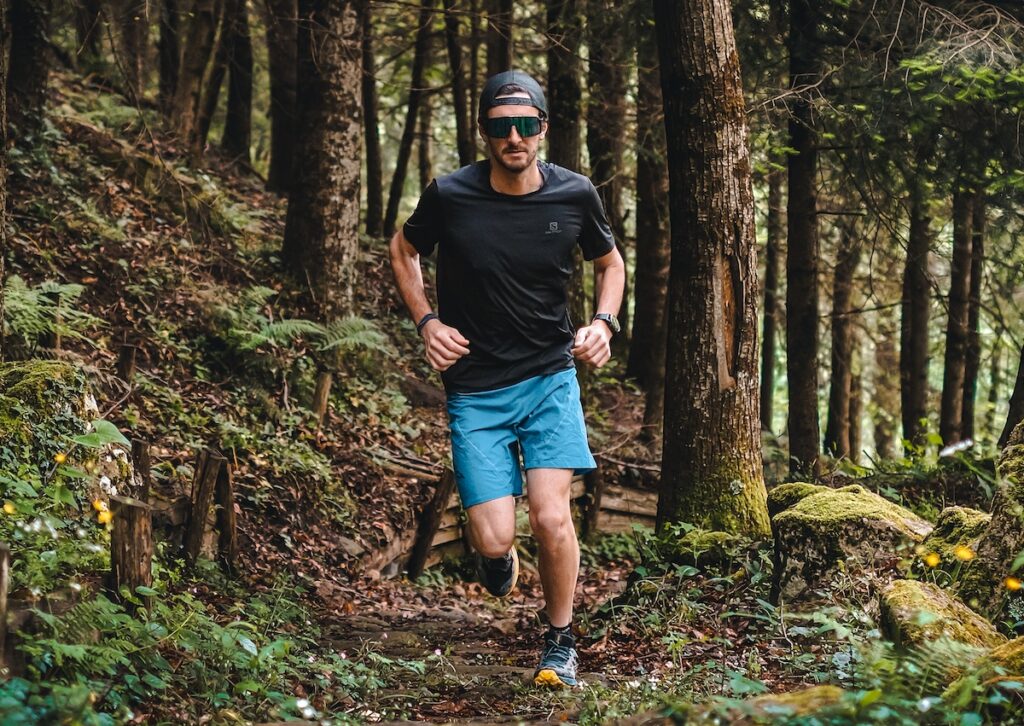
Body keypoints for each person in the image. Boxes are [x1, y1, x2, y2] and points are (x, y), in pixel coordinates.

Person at [389, 69, 625, 688]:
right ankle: (500, 560)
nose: (514, 137)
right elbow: (403, 249)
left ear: (543, 129)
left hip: (549, 379)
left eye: (525, 125)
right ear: (485, 133)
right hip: (476, 390)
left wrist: (603, 323)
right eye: (501, 127)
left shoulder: (575, 195)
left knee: (552, 517)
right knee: (492, 541)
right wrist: (426, 321)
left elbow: (611, 263)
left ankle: (560, 641)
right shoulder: (450, 194)